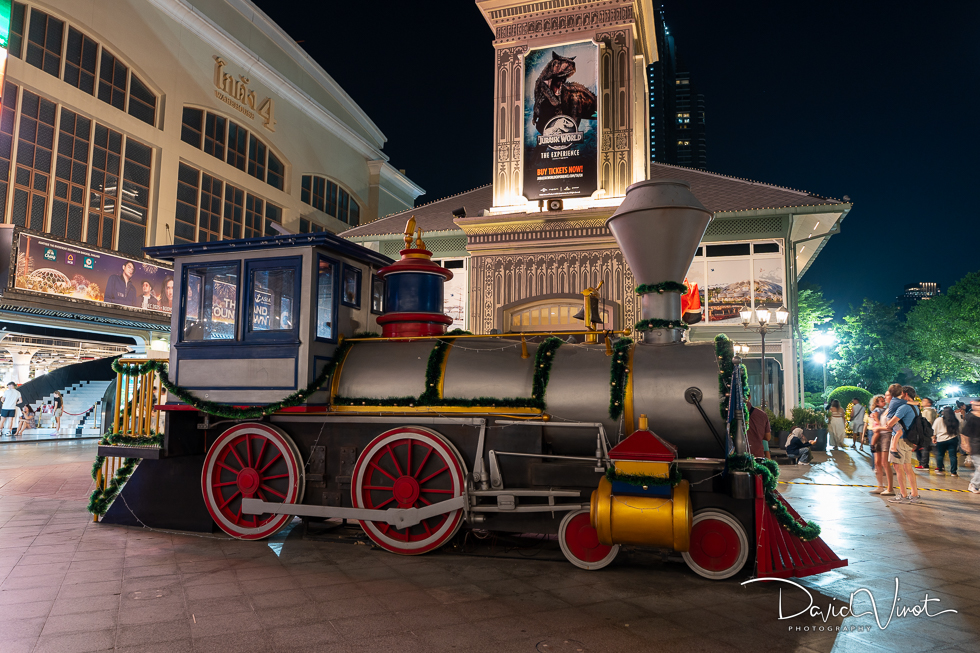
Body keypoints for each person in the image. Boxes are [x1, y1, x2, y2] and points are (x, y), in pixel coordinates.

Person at [886, 385, 921, 504]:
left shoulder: (904, 407)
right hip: (909, 440)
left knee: (898, 467)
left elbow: (891, 423)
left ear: (905, 394)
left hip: (900, 440)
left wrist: (889, 423)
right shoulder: (916, 408)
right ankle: (914, 494)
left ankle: (903, 495)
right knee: (908, 467)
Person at [870, 393, 895, 495]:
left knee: (885, 463)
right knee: (877, 462)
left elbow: (890, 427)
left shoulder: (892, 409)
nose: (885, 398)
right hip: (879, 435)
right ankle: (880, 486)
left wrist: (878, 427)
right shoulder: (884, 410)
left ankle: (890, 488)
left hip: (885, 435)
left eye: (887, 395)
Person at [933, 407, 960, 477]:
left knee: (940, 455)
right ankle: (953, 472)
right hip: (953, 439)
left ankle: (940, 470)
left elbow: (933, 430)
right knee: (953, 456)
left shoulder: (938, 420)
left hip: (941, 440)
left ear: (943, 412)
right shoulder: (955, 420)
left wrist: (933, 438)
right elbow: (958, 431)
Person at [963, 400, 980, 494]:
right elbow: (965, 433)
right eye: (976, 405)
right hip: (975, 445)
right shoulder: (971, 417)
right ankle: (973, 484)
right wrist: (966, 444)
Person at [916, 397, 937, 470]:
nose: (922, 401)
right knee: (933, 449)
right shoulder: (932, 410)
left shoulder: (927, 411)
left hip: (926, 433)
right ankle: (939, 465)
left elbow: (928, 422)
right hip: (931, 432)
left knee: (924, 449)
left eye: (924, 401)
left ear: (929, 403)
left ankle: (924, 464)